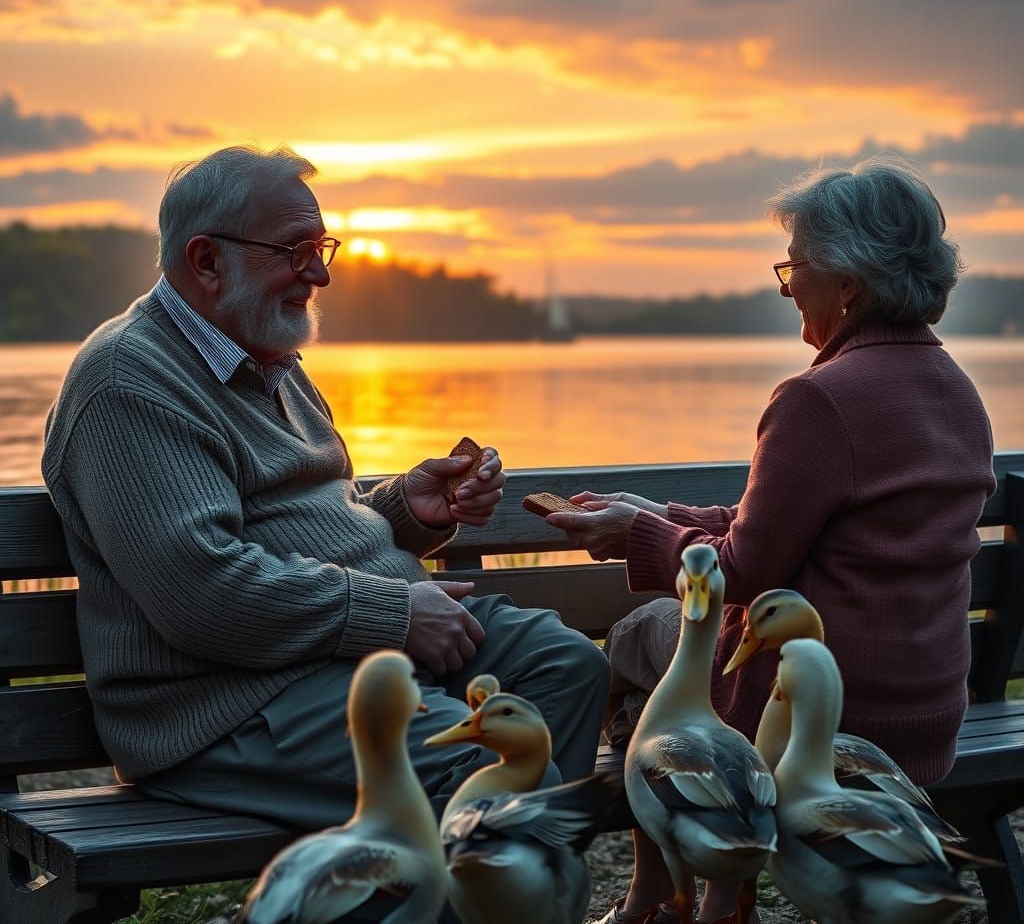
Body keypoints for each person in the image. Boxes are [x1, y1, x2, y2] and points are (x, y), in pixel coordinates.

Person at [41, 145, 609, 853]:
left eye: (322, 246)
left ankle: (508, 897)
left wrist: (403, 510)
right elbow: (201, 591)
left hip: (338, 658)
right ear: (207, 261)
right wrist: (393, 614)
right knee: (483, 774)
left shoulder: (264, 356)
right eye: (296, 250)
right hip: (232, 707)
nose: (321, 273)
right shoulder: (128, 383)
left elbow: (297, 522)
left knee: (569, 668)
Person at [545, 154, 996, 924]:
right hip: (925, 716)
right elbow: (801, 533)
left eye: (797, 270)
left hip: (812, 718)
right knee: (666, 658)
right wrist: (650, 512)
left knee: (637, 640)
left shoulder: (820, 399)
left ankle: (666, 894)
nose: (787, 288)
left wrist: (636, 539)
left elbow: (747, 568)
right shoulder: (957, 392)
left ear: (848, 284)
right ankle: (719, 894)